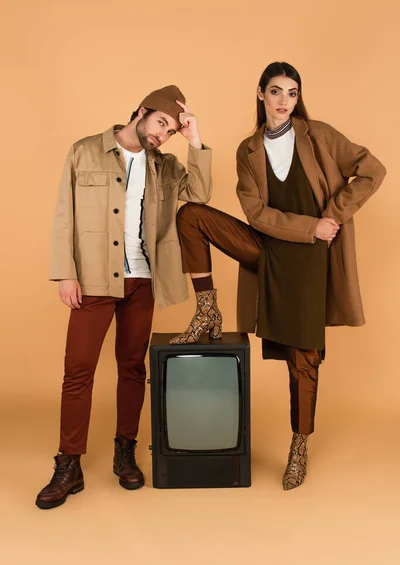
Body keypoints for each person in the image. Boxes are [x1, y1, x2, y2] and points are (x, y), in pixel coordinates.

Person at [170, 62, 386, 491]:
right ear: (260, 94)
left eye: (291, 92)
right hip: (267, 248)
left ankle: (299, 445)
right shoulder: (247, 150)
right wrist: (309, 226)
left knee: (302, 359)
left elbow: (372, 170)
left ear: (297, 97)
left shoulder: (318, 134)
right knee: (191, 215)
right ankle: (206, 311)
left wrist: (331, 219)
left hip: (310, 260)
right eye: (275, 91)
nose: (284, 100)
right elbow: (255, 214)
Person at [36, 85, 212, 509]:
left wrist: (195, 140)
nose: (162, 134)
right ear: (141, 111)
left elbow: (200, 194)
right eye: (161, 124)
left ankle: (124, 451)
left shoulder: (167, 166)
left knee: (132, 368)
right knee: (78, 371)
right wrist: (66, 273)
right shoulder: (85, 152)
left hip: (143, 281)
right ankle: (68, 464)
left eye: (170, 130)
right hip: (95, 280)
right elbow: (65, 214)